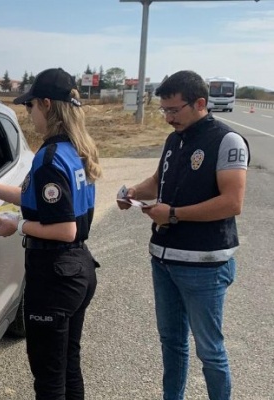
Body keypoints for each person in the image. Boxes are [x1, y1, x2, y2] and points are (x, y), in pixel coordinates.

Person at [0, 67, 102, 400]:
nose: (29, 115)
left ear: (46, 104)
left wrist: (15, 226)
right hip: (78, 269)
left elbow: (63, 228)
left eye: (30, 107)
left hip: (55, 275)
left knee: (49, 379)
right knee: (67, 367)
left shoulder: (49, 158)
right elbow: (34, 199)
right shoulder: (76, 151)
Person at [117, 70, 249, 400]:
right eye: (164, 110)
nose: (167, 118)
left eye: (173, 110)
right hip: (164, 259)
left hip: (203, 265)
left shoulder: (226, 140)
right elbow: (159, 179)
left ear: (200, 103)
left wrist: (173, 214)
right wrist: (132, 191)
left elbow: (232, 202)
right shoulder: (175, 139)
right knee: (172, 344)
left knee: (210, 351)